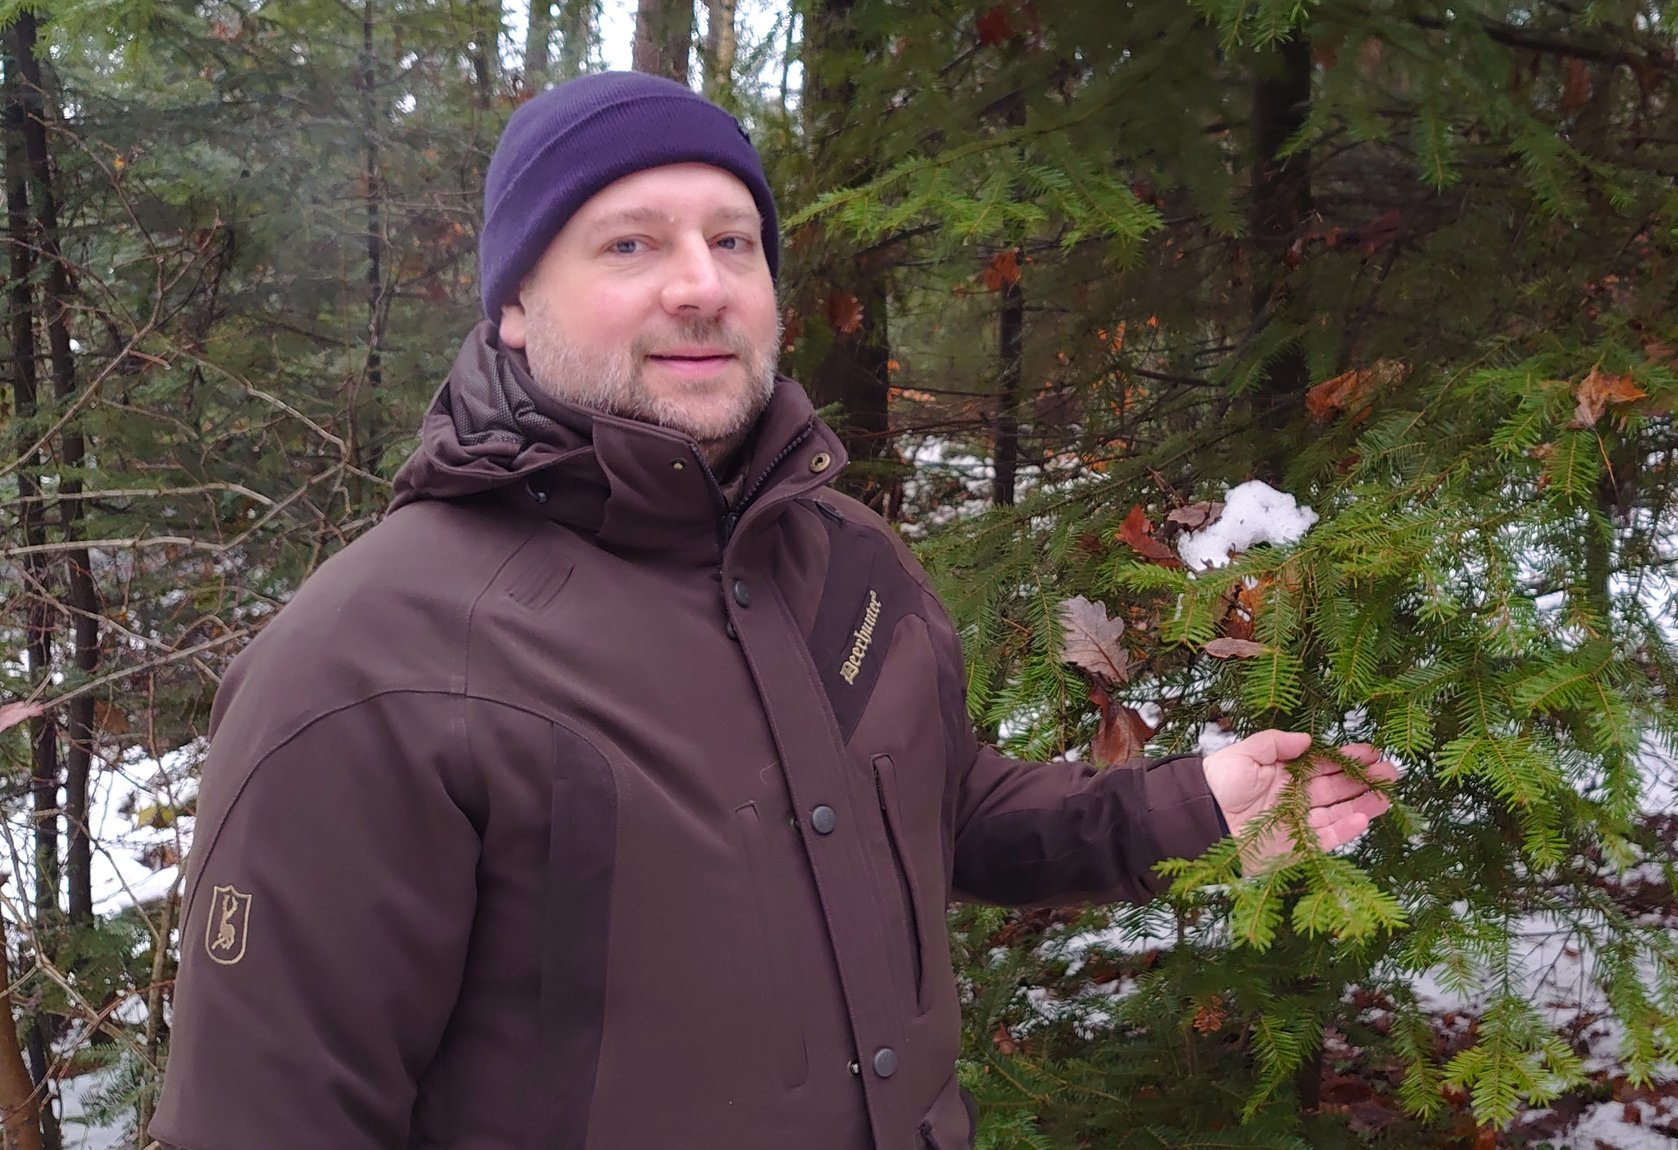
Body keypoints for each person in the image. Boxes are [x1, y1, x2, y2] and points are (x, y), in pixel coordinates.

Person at [148, 71, 1395, 1150]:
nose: (701, 286)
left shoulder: (841, 557)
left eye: (733, 242)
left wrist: (1188, 803)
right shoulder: (373, 664)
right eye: (629, 244)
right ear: (514, 304)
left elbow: (939, 811)